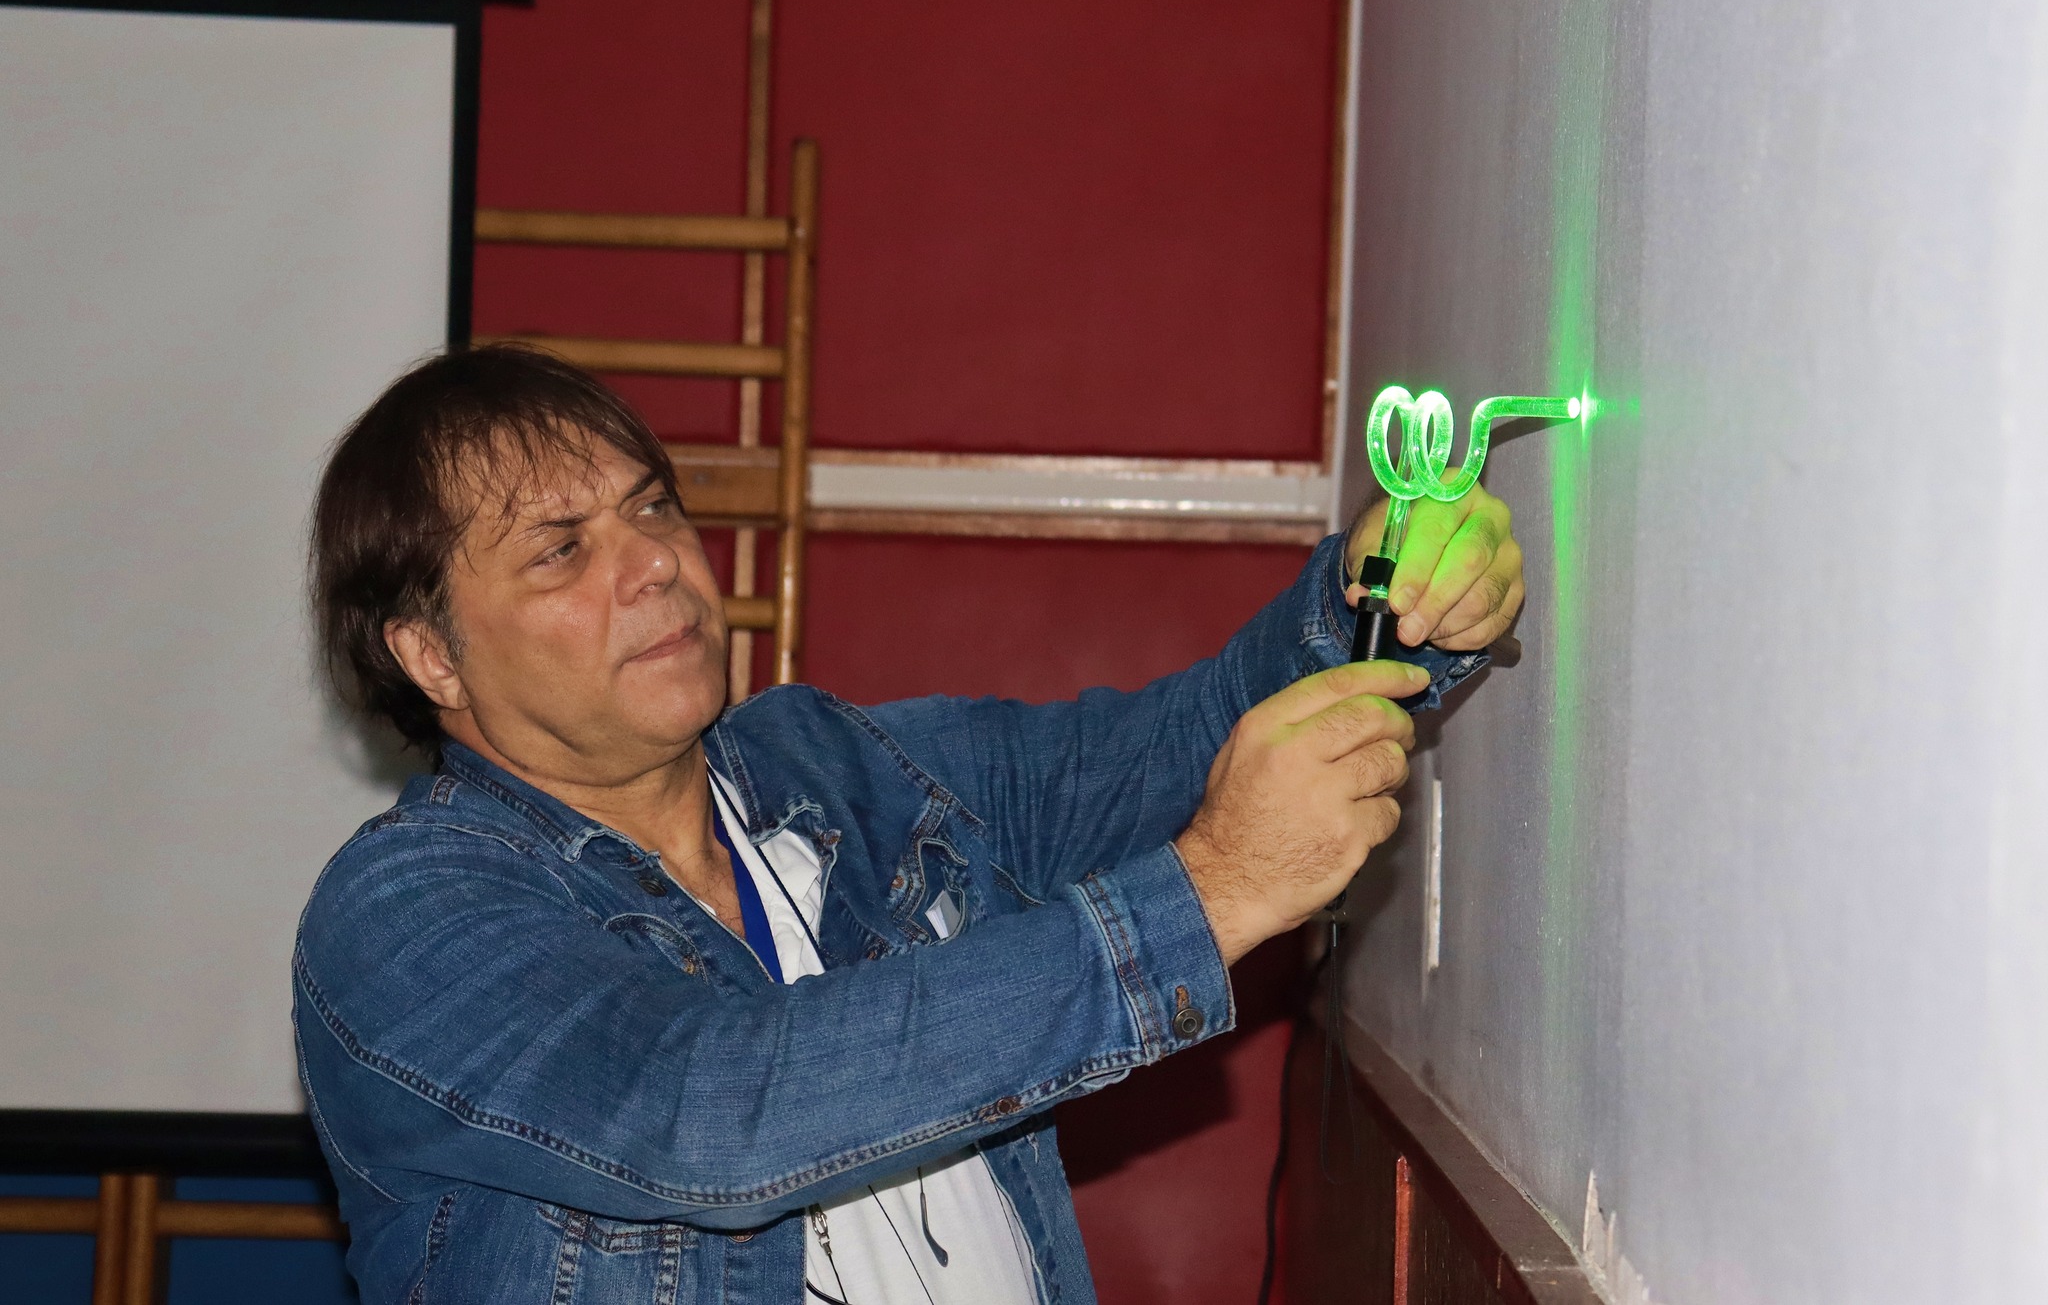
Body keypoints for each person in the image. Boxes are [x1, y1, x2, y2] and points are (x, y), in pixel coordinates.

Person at [295, 345, 1523, 1305]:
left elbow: (1169, 748)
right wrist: (1209, 895)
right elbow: (708, 1113)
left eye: (652, 507)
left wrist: (1379, 600)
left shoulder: (834, 766)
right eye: (561, 551)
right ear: (430, 655)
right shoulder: (404, 912)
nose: (656, 562)